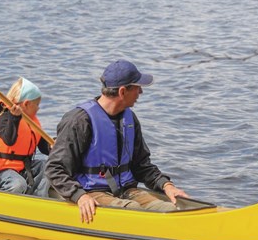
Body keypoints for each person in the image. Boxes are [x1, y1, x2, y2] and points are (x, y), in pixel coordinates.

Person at [45, 59, 190, 223]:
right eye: (137, 87)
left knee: (171, 209)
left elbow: (141, 165)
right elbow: (54, 168)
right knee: (134, 211)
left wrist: (166, 185)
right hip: (91, 192)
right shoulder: (79, 121)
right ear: (122, 91)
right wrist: (79, 196)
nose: (141, 92)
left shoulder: (130, 119)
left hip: (126, 190)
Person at [0, 77, 51, 197]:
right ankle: (5, 202)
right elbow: (9, 140)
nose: (38, 108)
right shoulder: (2, 118)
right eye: (37, 104)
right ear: (26, 104)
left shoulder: (31, 121)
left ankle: (39, 198)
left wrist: (52, 146)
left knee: (48, 167)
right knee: (18, 184)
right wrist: (14, 118)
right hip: (0, 172)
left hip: (23, 169)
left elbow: (43, 146)